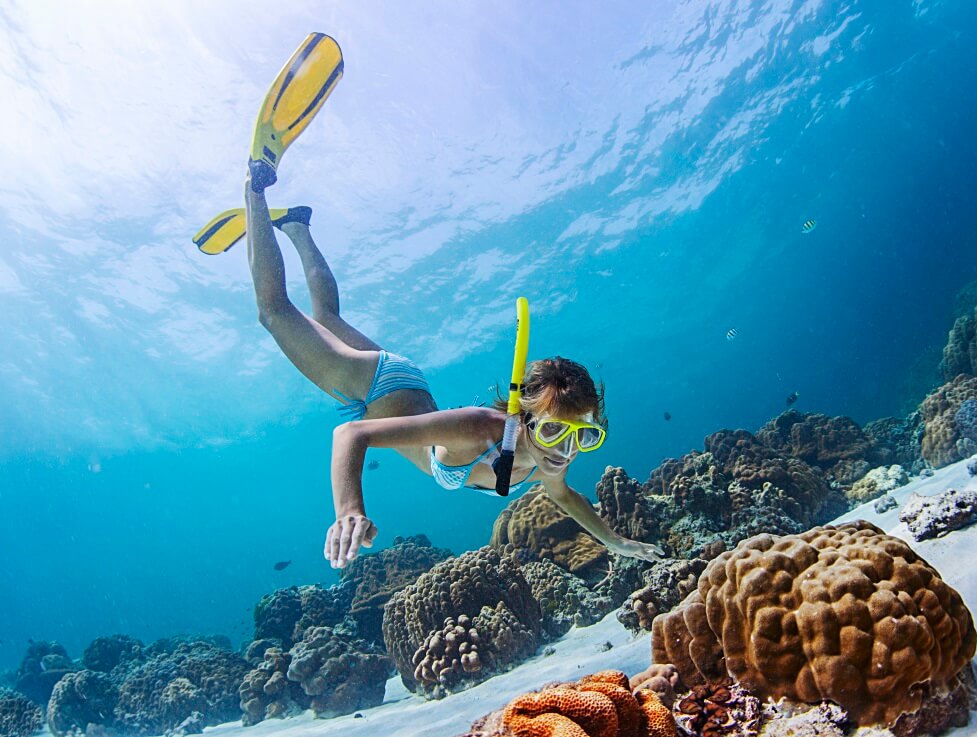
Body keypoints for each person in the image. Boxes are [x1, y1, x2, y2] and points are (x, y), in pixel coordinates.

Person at [243, 183, 665, 570]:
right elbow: (351, 435)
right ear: (524, 419)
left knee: (327, 319)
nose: (568, 450)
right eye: (556, 431)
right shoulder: (483, 429)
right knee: (274, 312)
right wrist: (349, 510)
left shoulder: (548, 456)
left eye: (584, 436)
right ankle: (255, 186)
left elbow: (563, 495)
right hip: (375, 386)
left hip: (409, 385)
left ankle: (297, 225)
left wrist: (618, 543)